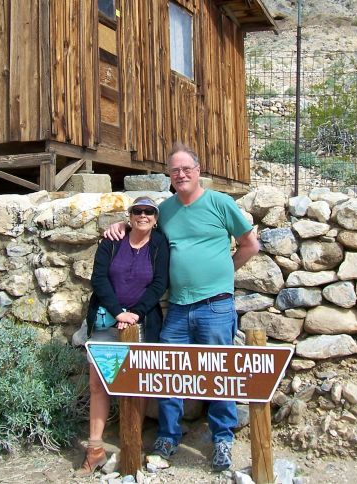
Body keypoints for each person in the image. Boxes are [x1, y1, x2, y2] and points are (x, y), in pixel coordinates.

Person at [105, 143, 259, 472]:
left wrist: (224, 272)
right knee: (168, 372)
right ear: (169, 176)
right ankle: (168, 436)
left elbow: (250, 244)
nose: (181, 174)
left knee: (220, 373)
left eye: (186, 168)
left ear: (198, 170)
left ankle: (222, 438)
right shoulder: (167, 209)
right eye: (175, 170)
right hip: (177, 307)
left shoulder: (220, 203)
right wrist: (120, 226)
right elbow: (143, 230)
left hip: (215, 305)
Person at [78, 196, 170, 475]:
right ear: (129, 216)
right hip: (108, 320)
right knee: (99, 383)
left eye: (148, 212)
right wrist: (119, 312)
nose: (142, 216)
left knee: (137, 383)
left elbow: (159, 284)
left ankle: (132, 443)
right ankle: (94, 449)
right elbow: (99, 279)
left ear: (155, 219)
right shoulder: (112, 241)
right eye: (137, 211)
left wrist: (135, 314)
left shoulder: (159, 244)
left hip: (141, 323)